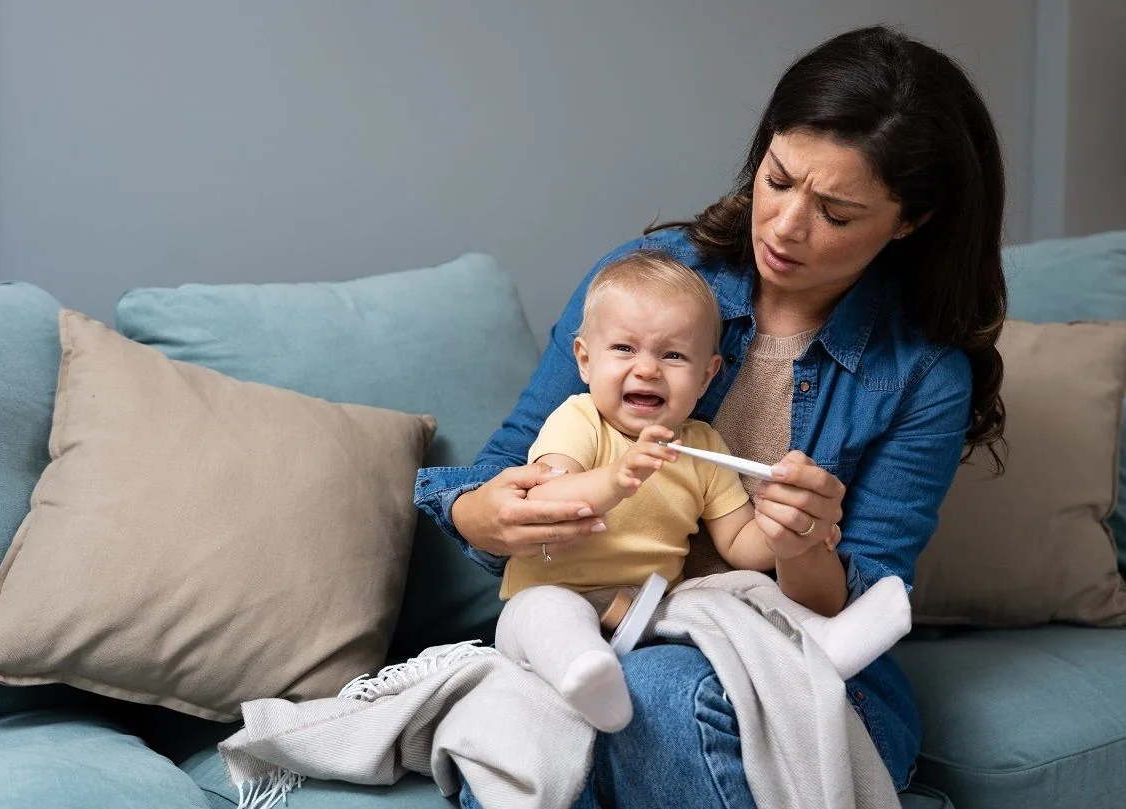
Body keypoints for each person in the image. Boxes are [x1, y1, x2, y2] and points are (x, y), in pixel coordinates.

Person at [415, 23, 1007, 807]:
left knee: (649, 696)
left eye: (834, 212)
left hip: (789, 657)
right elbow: (505, 471)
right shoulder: (649, 283)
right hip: (606, 627)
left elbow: (854, 604)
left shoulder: (924, 373)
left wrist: (803, 541)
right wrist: (482, 512)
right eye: (777, 177)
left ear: (908, 221)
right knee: (546, 721)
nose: (785, 226)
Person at [495, 249, 912, 734]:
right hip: (553, 594)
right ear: (585, 361)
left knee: (745, 588)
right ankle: (588, 677)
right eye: (624, 350)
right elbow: (544, 499)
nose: (648, 369)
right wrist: (618, 476)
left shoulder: (701, 447)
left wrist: (786, 528)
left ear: (707, 374)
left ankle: (821, 641)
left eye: (672, 355)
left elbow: (739, 546)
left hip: (649, 610)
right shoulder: (579, 418)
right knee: (546, 615)